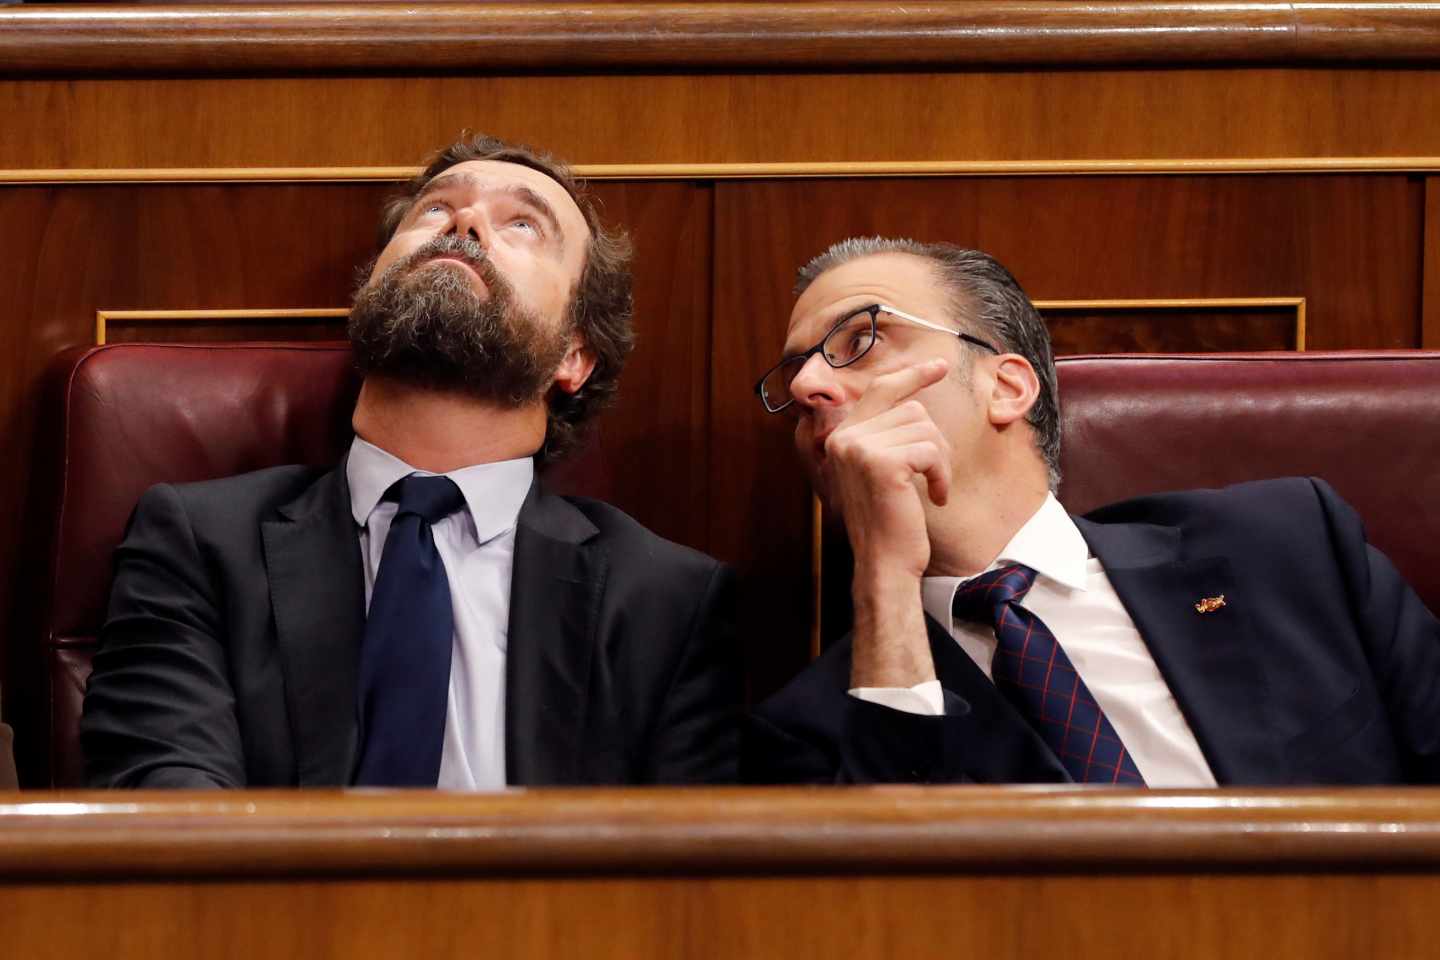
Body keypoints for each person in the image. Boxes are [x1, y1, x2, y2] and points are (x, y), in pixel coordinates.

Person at [81, 134, 739, 789]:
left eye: (523, 223)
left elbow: (685, 882)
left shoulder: (665, 602)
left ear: (575, 354)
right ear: (369, 291)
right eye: (434, 208)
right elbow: (169, 824)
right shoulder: (199, 545)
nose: (466, 220)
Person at [744, 237, 1440, 786]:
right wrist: (886, 581)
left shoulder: (1288, 548)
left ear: (1006, 386)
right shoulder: (814, 726)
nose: (807, 387)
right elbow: (882, 915)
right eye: (795, 374)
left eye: (859, 339)